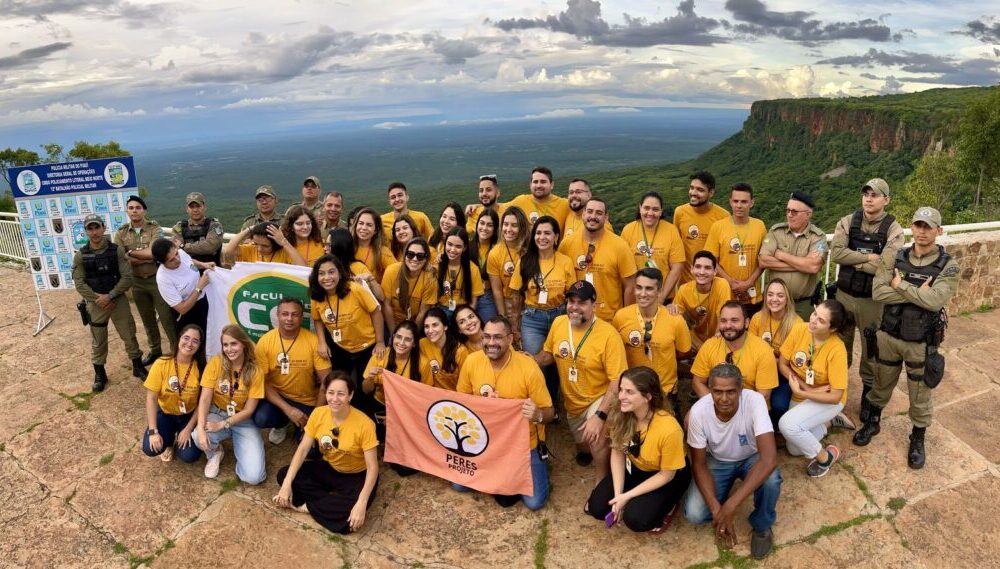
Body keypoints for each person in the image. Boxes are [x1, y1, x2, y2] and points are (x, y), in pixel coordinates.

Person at [853, 207, 959, 469]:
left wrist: (899, 285)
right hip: (889, 336)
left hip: (920, 342)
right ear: (912, 228)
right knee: (880, 384)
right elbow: (878, 293)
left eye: (928, 227)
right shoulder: (895, 256)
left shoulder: (948, 265)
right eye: (918, 225)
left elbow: (935, 301)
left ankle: (918, 438)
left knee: (920, 394)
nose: (922, 231)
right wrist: (917, 293)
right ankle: (873, 422)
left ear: (939, 230)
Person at [684, 363, 781, 560]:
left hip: (751, 457)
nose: (724, 398)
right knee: (695, 514)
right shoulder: (698, 412)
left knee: (771, 480)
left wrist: (730, 506)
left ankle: (762, 525)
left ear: (740, 389)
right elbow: (699, 464)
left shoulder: (755, 401)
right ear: (710, 390)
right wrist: (716, 509)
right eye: (717, 392)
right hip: (718, 459)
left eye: (731, 392)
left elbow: (769, 459)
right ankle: (721, 494)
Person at [456, 317, 554, 509]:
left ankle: (507, 477)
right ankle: (502, 479)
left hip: (523, 444)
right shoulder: (472, 361)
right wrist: (485, 406)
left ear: (510, 339)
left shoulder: (528, 367)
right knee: (459, 485)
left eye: (497, 337)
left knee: (534, 502)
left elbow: (549, 412)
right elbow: (462, 404)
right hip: (485, 439)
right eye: (487, 337)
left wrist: (538, 415)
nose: (491, 343)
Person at [536, 281, 627, 483]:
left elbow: (617, 380)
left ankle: (602, 481)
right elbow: (548, 355)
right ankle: (590, 447)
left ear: (594, 306)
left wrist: (600, 416)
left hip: (599, 397)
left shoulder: (608, 335)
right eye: (571, 301)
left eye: (582, 303)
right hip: (573, 402)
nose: (574, 307)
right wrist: (529, 361)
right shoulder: (559, 323)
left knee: (596, 439)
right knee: (584, 446)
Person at [831, 178, 904, 421]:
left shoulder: (893, 229)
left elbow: (887, 266)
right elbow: (837, 253)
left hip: (873, 301)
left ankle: (867, 397)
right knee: (839, 348)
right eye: (866, 194)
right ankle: (835, 395)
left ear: (886, 199)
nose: (869, 199)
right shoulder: (847, 221)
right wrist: (869, 258)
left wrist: (856, 261)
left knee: (871, 350)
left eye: (875, 195)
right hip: (843, 296)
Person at [586, 367, 690, 532]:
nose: (621, 396)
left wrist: (627, 496)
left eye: (629, 392)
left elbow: (666, 475)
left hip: (665, 475)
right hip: (635, 466)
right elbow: (618, 452)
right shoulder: (622, 413)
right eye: (621, 390)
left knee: (635, 519)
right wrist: (618, 495)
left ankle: (670, 504)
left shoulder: (669, 428)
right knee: (597, 508)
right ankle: (633, 497)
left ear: (647, 397)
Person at [274, 372, 380, 535]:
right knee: (283, 475)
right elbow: (302, 450)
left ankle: (309, 506)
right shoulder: (318, 414)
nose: (335, 399)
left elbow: (373, 468)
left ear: (350, 396)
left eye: (341, 394)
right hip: (330, 467)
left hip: (358, 475)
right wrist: (287, 484)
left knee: (349, 524)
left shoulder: (365, 424)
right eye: (331, 393)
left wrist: (361, 502)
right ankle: (327, 505)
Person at [778, 299, 852, 477]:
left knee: (787, 425)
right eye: (814, 314)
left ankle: (825, 457)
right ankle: (828, 422)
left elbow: (835, 396)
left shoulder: (837, 349)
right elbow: (783, 364)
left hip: (828, 400)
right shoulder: (800, 329)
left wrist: (803, 392)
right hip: (805, 391)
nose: (813, 321)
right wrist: (806, 390)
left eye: (821, 320)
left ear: (832, 329)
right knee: (794, 449)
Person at [72, 213, 146, 391]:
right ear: (86, 231)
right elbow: (79, 283)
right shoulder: (81, 255)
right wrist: (97, 298)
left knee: (129, 333)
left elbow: (127, 277)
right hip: (96, 303)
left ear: (103, 228)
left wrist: (110, 295)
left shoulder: (116, 250)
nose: (94, 232)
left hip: (117, 299)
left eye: (97, 227)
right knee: (98, 339)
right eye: (90, 228)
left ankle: (137, 365)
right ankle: (100, 373)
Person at [310, 254, 386, 414]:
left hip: (367, 346)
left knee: (365, 387)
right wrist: (322, 342)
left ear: (340, 273)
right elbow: (317, 319)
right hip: (340, 347)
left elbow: (376, 312)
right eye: (321, 274)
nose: (326, 278)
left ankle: (362, 416)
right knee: (339, 384)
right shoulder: (317, 296)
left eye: (331, 272)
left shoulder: (355, 289)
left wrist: (380, 342)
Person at [253, 298, 333, 445]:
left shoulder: (313, 341)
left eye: (295, 314)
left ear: (301, 317)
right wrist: (288, 409)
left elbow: (327, 382)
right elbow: (263, 383)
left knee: (313, 451)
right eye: (285, 314)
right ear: (277, 315)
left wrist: (315, 417)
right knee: (261, 418)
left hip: (308, 400)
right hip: (280, 397)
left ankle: (304, 423)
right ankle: (281, 423)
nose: (289, 319)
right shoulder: (265, 342)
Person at [195, 324, 266, 483]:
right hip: (217, 412)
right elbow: (205, 398)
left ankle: (241, 444)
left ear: (243, 344)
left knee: (254, 477)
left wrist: (223, 425)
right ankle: (215, 452)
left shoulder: (255, 370)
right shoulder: (216, 362)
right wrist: (200, 428)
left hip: (243, 419)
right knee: (197, 436)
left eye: (234, 344)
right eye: (225, 345)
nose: (229, 349)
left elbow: (249, 410)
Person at [612, 268, 692, 403]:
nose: (642, 294)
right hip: (631, 391)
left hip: (664, 391)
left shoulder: (675, 320)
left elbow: (683, 352)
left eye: (649, 289)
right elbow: (615, 351)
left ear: (659, 291)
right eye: (639, 287)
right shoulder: (621, 317)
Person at [114, 195, 177, 361]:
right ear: (127, 211)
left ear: (144, 211)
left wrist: (130, 253)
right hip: (137, 282)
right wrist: (146, 257)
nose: (134, 211)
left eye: (138, 208)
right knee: (147, 319)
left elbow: (154, 253)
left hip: (157, 280)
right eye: (131, 208)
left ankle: (177, 351)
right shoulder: (121, 232)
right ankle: (155, 351)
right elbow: (120, 258)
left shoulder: (154, 229)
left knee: (167, 318)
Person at [558, 197, 637, 321]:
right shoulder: (566, 244)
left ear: (606, 217)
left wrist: (626, 319)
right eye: (589, 211)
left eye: (599, 213)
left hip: (609, 320)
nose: (593, 216)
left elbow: (630, 287)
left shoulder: (620, 246)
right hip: (576, 318)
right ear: (583, 214)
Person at [511, 215, 576, 355]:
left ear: (556, 237)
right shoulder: (524, 261)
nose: (542, 237)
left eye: (547, 233)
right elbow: (516, 296)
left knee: (559, 358)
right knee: (534, 361)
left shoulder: (566, 262)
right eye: (538, 233)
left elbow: (571, 296)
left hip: (560, 316)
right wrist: (515, 326)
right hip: (532, 319)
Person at [759, 192, 828, 321]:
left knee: (803, 333)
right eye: (788, 210)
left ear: (808, 214)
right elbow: (763, 261)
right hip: (774, 302)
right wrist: (802, 265)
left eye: (795, 212)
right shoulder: (776, 231)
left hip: (802, 304)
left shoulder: (818, 237)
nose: (790, 215)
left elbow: (813, 266)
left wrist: (780, 254)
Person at [691, 301, 778, 402]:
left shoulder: (763, 350)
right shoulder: (710, 345)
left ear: (746, 323)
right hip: (716, 404)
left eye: (734, 320)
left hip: (750, 407)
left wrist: (733, 409)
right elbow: (698, 382)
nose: (728, 325)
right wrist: (715, 405)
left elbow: (763, 395)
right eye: (723, 321)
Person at [142, 324, 204, 463]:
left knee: (189, 456)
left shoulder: (201, 368)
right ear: (179, 339)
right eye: (186, 338)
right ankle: (169, 442)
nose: (189, 344)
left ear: (200, 345)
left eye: (195, 341)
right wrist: (153, 431)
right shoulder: (161, 363)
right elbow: (151, 399)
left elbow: (202, 403)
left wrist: (188, 429)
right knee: (150, 448)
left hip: (189, 416)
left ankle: (180, 435)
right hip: (165, 413)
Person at [705, 183, 768, 316]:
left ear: (752, 203)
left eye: (744, 201)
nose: (739, 205)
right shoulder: (718, 227)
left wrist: (749, 282)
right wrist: (731, 283)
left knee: (752, 327)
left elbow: (764, 259)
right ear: (730, 202)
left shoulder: (759, 226)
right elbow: (711, 261)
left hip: (752, 295)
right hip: (725, 294)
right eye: (735, 201)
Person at [748, 278, 802, 423]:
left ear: (787, 299)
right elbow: (751, 350)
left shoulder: (797, 324)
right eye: (770, 294)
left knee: (779, 406)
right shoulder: (757, 318)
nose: (774, 299)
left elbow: (793, 363)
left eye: (780, 295)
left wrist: (770, 360)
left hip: (783, 373)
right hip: (759, 370)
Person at [151, 237, 212, 359]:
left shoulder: (180, 253)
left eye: (176, 254)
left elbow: (189, 261)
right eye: (171, 260)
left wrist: (202, 264)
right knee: (193, 344)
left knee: (207, 337)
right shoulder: (163, 278)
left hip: (203, 302)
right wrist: (199, 287)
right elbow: (182, 309)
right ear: (162, 263)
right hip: (188, 314)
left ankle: (206, 364)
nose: (177, 259)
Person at [619, 191, 685, 304]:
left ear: (661, 211)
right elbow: (623, 268)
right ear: (640, 208)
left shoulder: (671, 231)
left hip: (663, 296)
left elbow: (677, 267)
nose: (650, 213)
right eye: (646, 208)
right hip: (636, 297)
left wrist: (662, 296)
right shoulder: (628, 230)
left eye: (655, 209)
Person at [362, 320, 422, 442]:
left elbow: (420, 400)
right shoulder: (380, 355)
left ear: (414, 343)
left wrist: (395, 417)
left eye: (407, 339)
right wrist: (370, 378)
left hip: (405, 410)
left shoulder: (422, 364)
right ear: (393, 337)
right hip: (379, 404)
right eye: (398, 337)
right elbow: (365, 390)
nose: (401, 343)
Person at [672, 171, 728, 284]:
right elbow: (675, 248)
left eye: (700, 190)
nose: (693, 193)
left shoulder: (723, 216)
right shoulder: (680, 212)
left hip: (714, 283)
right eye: (692, 188)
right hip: (686, 282)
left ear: (711, 193)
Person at [670, 251, 733, 350]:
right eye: (698, 267)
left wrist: (714, 345)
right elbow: (675, 319)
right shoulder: (684, 289)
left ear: (715, 272)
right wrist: (669, 308)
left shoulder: (722, 284)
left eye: (707, 268)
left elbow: (723, 317)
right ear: (692, 269)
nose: (702, 272)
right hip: (694, 341)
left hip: (717, 339)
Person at [381, 237, 437, 330]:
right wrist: (393, 333)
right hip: (391, 323)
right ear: (405, 255)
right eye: (410, 254)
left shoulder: (429, 278)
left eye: (420, 256)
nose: (414, 259)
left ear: (426, 258)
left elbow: (422, 312)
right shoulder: (391, 271)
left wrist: (412, 334)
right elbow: (386, 305)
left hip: (414, 325)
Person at [488, 206, 529, 321]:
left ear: (522, 227)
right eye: (505, 224)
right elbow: (497, 290)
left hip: (531, 302)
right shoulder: (495, 253)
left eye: (514, 225)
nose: (508, 229)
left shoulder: (530, 248)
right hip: (509, 303)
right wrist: (503, 316)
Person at [326, 227, 384, 302]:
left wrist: (370, 278)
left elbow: (381, 297)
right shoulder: (324, 267)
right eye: (325, 244)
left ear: (339, 247)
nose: (325, 248)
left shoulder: (358, 267)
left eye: (329, 245)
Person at [419, 307, 469, 391]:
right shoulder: (422, 343)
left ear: (445, 326)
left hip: (453, 397)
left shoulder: (460, 351)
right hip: (429, 393)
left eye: (435, 325)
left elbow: (465, 384)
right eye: (426, 326)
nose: (430, 331)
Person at [507, 166, 570, 231]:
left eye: (543, 182)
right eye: (535, 182)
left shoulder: (565, 205)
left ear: (552, 185)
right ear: (530, 185)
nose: (539, 186)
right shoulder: (520, 201)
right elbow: (501, 209)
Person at [436, 227, 483, 314]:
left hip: (462, 310)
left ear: (464, 248)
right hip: (441, 309)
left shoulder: (472, 268)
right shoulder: (437, 264)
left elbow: (473, 301)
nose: (452, 250)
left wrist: (466, 316)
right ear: (445, 244)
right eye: (450, 244)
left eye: (458, 246)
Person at [171, 192, 224, 266]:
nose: (195, 210)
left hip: (212, 269)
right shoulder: (179, 227)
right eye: (192, 207)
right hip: (188, 269)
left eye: (198, 206)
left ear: (205, 207)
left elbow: (210, 247)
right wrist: (198, 247)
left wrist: (184, 246)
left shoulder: (214, 225)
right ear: (187, 209)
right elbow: (177, 250)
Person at [223, 221, 307, 266]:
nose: (259, 249)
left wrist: (284, 242)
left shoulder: (284, 252)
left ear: (275, 244)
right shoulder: (251, 249)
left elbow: (302, 267)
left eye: (265, 246)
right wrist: (249, 229)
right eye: (256, 244)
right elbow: (228, 251)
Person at [470, 208, 500, 321]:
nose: (484, 228)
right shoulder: (467, 247)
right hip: (468, 294)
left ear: (495, 229)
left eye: (489, 225)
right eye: (482, 223)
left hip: (487, 295)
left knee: (489, 325)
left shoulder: (498, 250)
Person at [351, 207, 394, 283]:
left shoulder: (382, 252)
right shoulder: (347, 247)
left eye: (369, 225)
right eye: (361, 223)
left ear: (376, 230)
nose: (364, 228)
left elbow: (397, 272)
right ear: (355, 225)